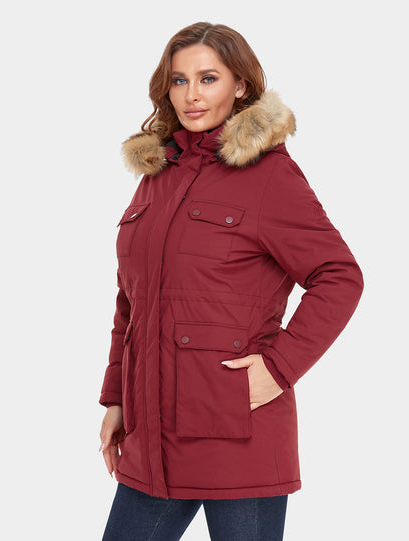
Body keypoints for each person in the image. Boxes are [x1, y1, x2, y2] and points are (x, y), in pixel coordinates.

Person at [98, 21, 364, 541]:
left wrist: (278, 368)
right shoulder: (158, 175)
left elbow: (339, 276)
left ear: (240, 85)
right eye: (179, 81)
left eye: (208, 78)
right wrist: (116, 399)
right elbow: (131, 301)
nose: (191, 95)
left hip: (240, 436)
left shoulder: (270, 175)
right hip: (153, 439)